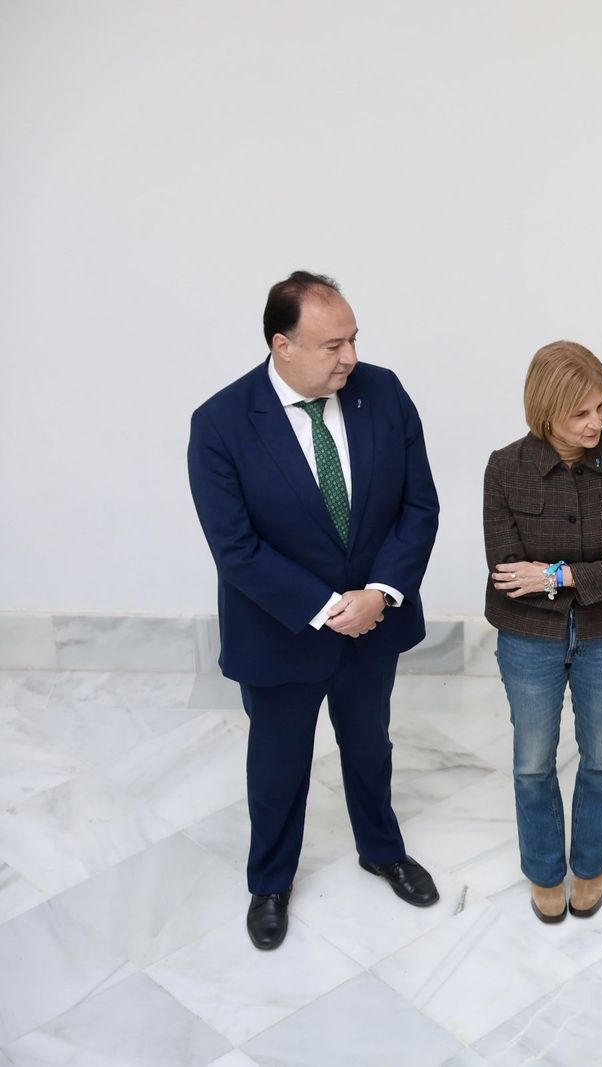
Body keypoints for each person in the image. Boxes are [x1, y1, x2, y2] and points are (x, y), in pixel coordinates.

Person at [188, 271, 442, 951]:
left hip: (373, 622)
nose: (350, 356)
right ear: (283, 345)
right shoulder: (220, 424)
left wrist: (380, 594)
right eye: (334, 345)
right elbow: (236, 549)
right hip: (280, 634)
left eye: (354, 338)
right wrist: (328, 607)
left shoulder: (383, 393)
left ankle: (381, 850)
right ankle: (270, 883)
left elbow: (418, 506)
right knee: (278, 767)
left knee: (370, 747)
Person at [483, 341, 602, 923]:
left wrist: (557, 574)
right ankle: (543, 869)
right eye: (580, 412)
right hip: (528, 639)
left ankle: (591, 862)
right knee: (533, 763)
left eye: (601, 407)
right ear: (545, 410)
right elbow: (509, 574)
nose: (595, 423)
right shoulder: (504, 469)